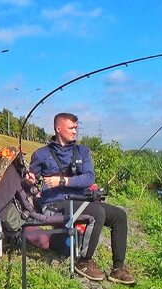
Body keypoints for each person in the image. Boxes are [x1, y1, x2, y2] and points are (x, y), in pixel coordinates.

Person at [24, 112, 136, 285]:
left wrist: (62, 180)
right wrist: (29, 179)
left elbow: (89, 178)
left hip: (79, 201)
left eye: (76, 127)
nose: (75, 131)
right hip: (53, 204)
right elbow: (31, 182)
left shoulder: (82, 151)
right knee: (97, 212)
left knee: (120, 216)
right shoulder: (41, 154)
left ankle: (118, 269)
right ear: (58, 128)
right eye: (71, 128)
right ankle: (84, 262)